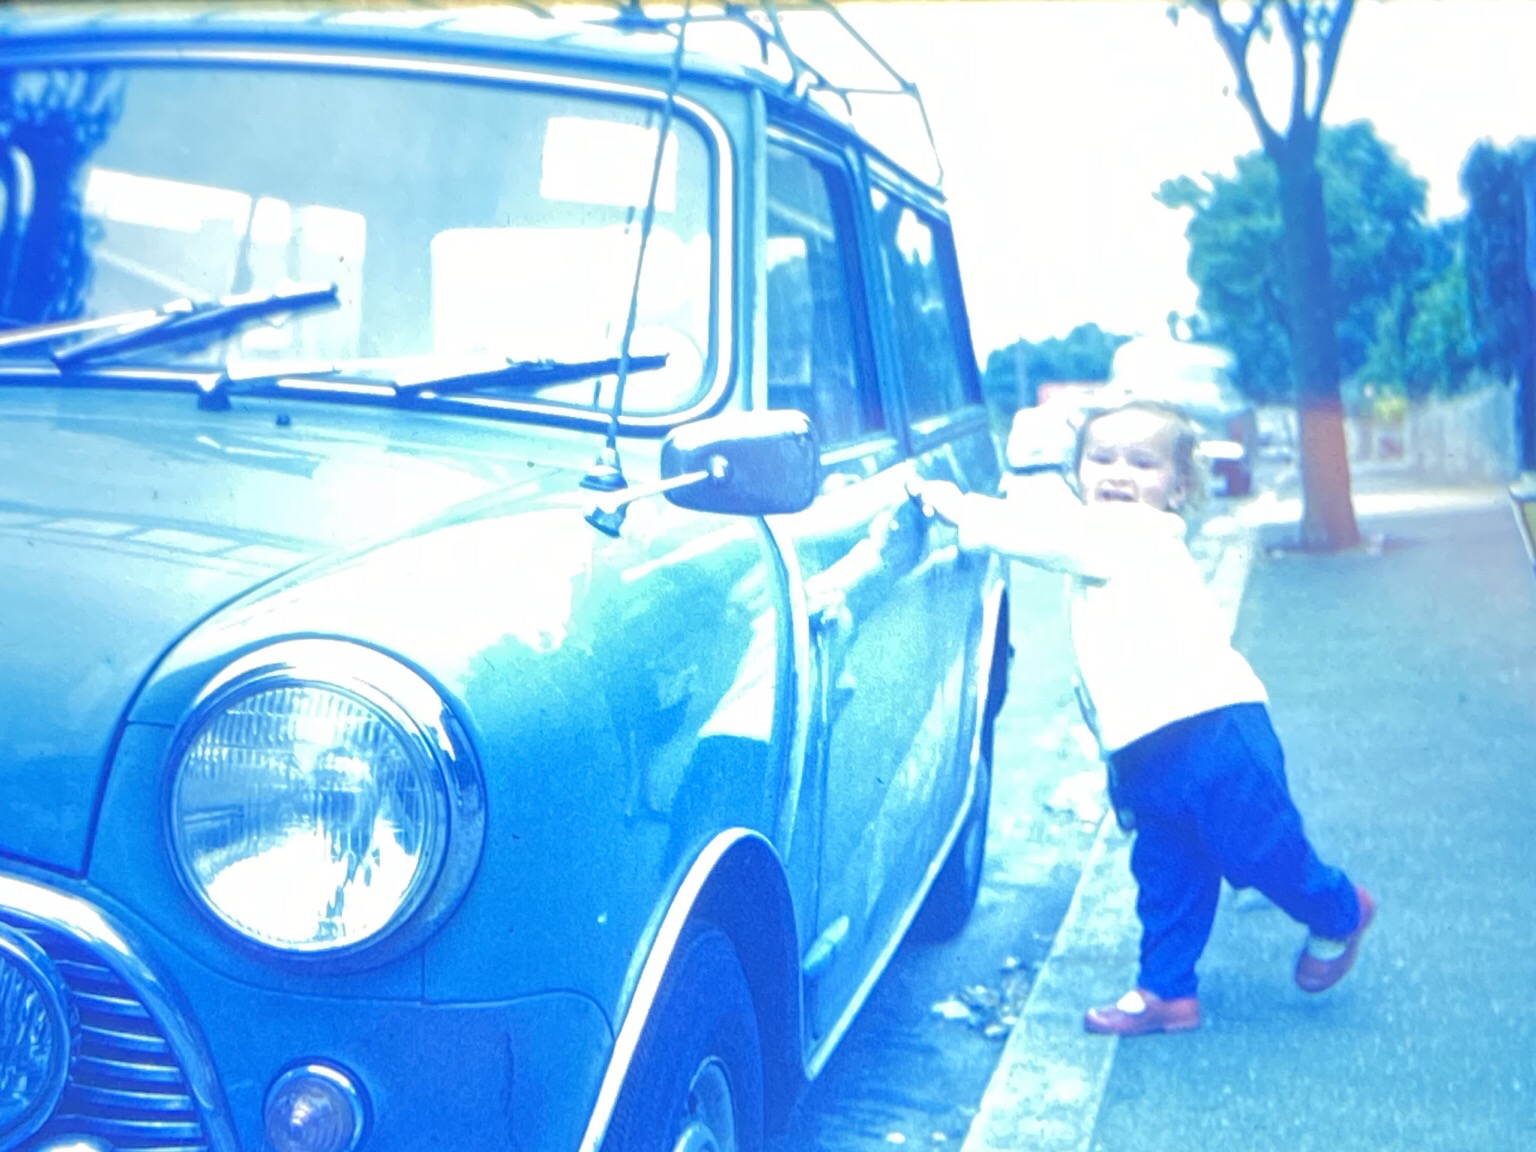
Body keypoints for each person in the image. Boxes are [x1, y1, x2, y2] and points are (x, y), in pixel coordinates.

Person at [910, 399, 1373, 1037]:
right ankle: (1167, 991)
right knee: (1166, 872)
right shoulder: (1099, 533)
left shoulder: (1135, 533)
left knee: (1263, 851)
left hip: (1214, 731)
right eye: (1101, 458)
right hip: (1144, 748)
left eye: (1143, 463)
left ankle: (1341, 909)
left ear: (1178, 488)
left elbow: (1042, 535)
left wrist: (955, 504)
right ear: (1077, 472)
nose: (1119, 473)